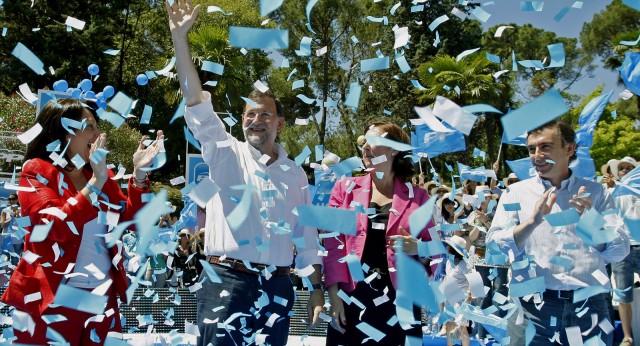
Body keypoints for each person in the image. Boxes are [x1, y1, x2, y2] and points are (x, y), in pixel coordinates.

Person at [167, 2, 323, 345]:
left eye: (266, 115)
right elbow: (196, 104)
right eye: (250, 114)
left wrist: (317, 289)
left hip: (280, 286)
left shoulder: (296, 175)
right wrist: (180, 38)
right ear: (241, 121)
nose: (257, 120)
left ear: (280, 124)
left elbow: (307, 239)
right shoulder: (225, 153)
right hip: (226, 281)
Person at [0, 98, 163, 345]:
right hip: (51, 298)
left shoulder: (100, 175)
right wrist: (94, 184)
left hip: (101, 299)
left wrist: (139, 175)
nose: (99, 134)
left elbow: (134, 223)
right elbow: (54, 228)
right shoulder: (37, 170)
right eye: (90, 127)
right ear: (65, 133)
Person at [487, 120, 629, 345]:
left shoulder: (596, 192)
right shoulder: (515, 193)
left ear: (569, 148)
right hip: (531, 308)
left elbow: (619, 251)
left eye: (545, 146)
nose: (537, 155)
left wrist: (592, 221)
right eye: (531, 149)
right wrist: (532, 222)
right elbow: (494, 246)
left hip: (589, 306)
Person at [324, 122, 435, 345]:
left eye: (372, 142)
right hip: (352, 298)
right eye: (363, 142)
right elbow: (333, 247)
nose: (364, 147)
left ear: (394, 149)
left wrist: (419, 247)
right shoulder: (344, 189)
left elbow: (436, 251)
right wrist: (334, 297)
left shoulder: (419, 197)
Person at [607, 156, 639, 346]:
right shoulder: (610, 192)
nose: (625, 170)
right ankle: (627, 337)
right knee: (623, 294)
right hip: (621, 249)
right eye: (622, 168)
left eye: (629, 168)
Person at [440, 235, 472, 346]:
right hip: (450, 296)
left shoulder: (466, 264)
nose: (446, 248)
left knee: (462, 328)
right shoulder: (449, 262)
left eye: (448, 246)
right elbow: (447, 277)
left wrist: (469, 294)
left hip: (462, 299)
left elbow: (475, 282)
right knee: (449, 325)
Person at [0, 193, 22, 265]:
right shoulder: (5, 210)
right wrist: (12, 218)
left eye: (13, 199)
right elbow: (2, 224)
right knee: (5, 259)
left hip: (18, 238)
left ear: (17, 199)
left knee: (15, 260)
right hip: (7, 237)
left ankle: (13, 275)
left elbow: (26, 225)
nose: (11, 201)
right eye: (9, 199)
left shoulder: (22, 210)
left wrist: (18, 216)